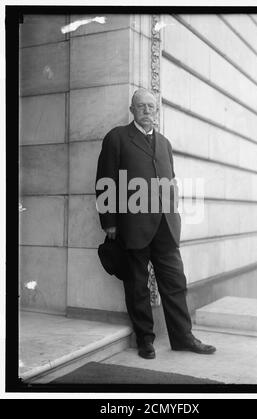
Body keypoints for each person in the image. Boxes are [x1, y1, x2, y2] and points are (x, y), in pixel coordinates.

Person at [95, 88, 216, 359]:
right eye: (141, 106)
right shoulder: (117, 138)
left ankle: (183, 337)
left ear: (157, 110)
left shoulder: (164, 143)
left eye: (151, 106)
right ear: (132, 110)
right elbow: (105, 181)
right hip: (133, 226)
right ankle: (145, 340)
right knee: (137, 285)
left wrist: (175, 214)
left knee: (175, 282)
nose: (147, 110)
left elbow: (170, 181)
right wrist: (109, 223)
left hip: (165, 227)